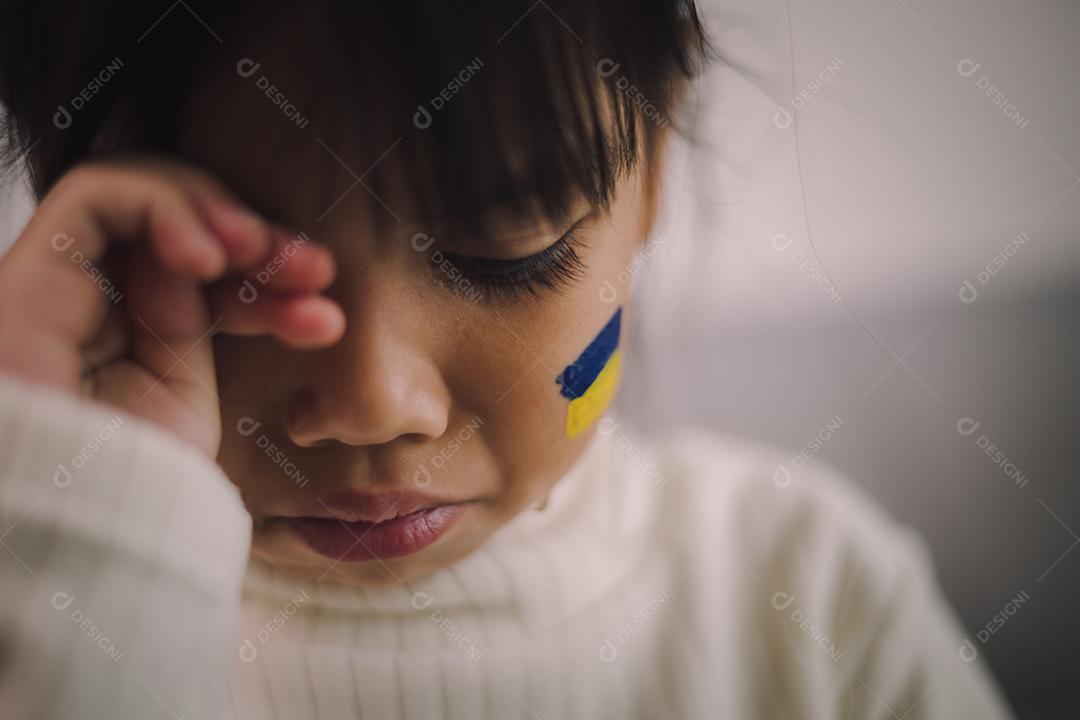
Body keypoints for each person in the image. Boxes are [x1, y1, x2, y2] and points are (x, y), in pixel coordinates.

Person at [0, 1, 1013, 717]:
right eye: (231, 280)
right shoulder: (47, 615)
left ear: (651, 174)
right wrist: (96, 549)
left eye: (505, 254)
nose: (373, 405)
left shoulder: (813, 604)